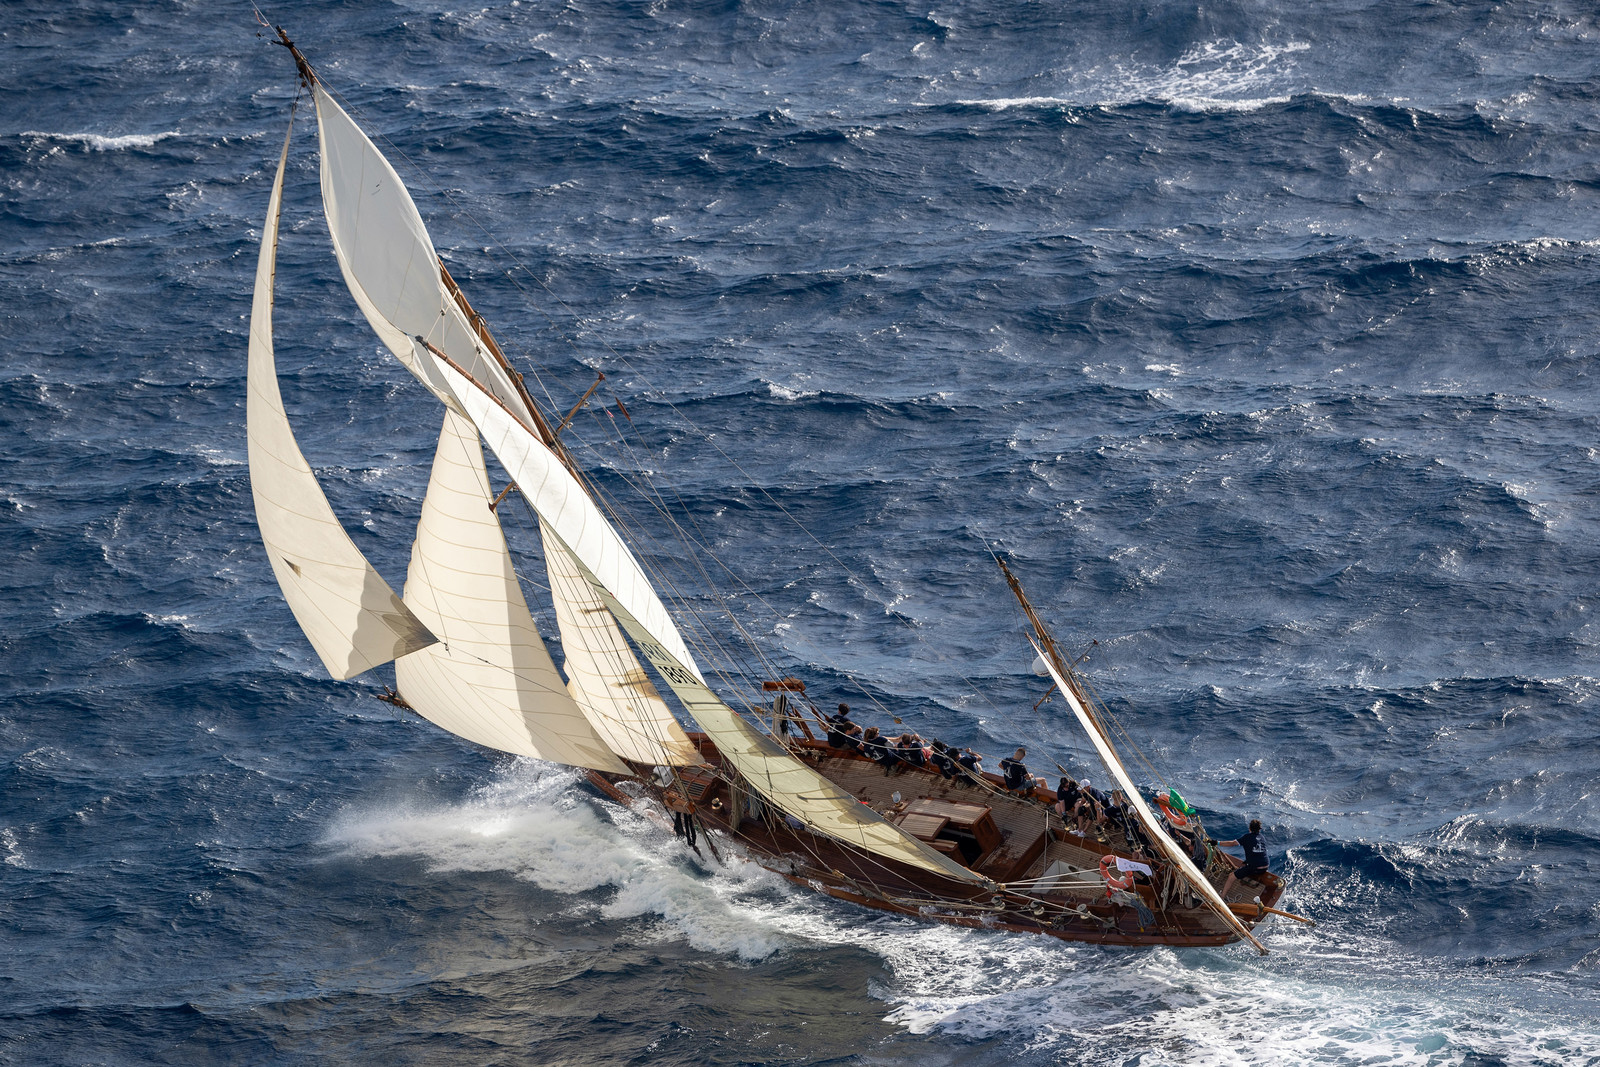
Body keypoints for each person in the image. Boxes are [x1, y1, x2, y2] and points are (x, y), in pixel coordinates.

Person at [1218, 819, 1269, 898]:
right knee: (1246, 865)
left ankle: (1222, 895)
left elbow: (1232, 843)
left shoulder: (1247, 837)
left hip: (1255, 868)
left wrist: (1217, 843)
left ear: (1250, 829)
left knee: (1231, 876)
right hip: (1266, 866)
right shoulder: (1262, 837)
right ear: (1259, 830)